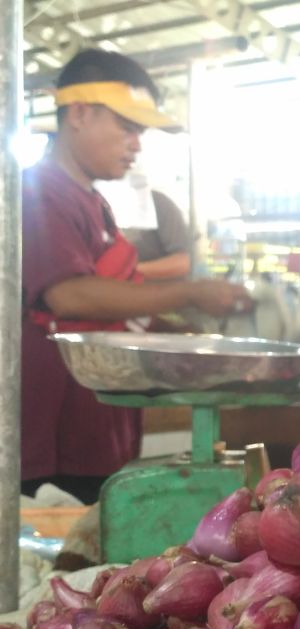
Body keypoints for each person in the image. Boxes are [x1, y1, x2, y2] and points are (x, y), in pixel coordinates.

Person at [22, 49, 250, 504]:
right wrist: (189, 293)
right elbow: (69, 295)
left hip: (98, 433)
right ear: (80, 114)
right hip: (55, 444)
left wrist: (189, 337)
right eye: (127, 127)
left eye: (140, 131)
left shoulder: (94, 202)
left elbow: (120, 310)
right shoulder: (40, 193)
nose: (137, 143)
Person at [124, 189, 193, 281]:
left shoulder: (156, 202)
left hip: (158, 291)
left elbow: (182, 263)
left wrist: (128, 272)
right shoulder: (101, 206)